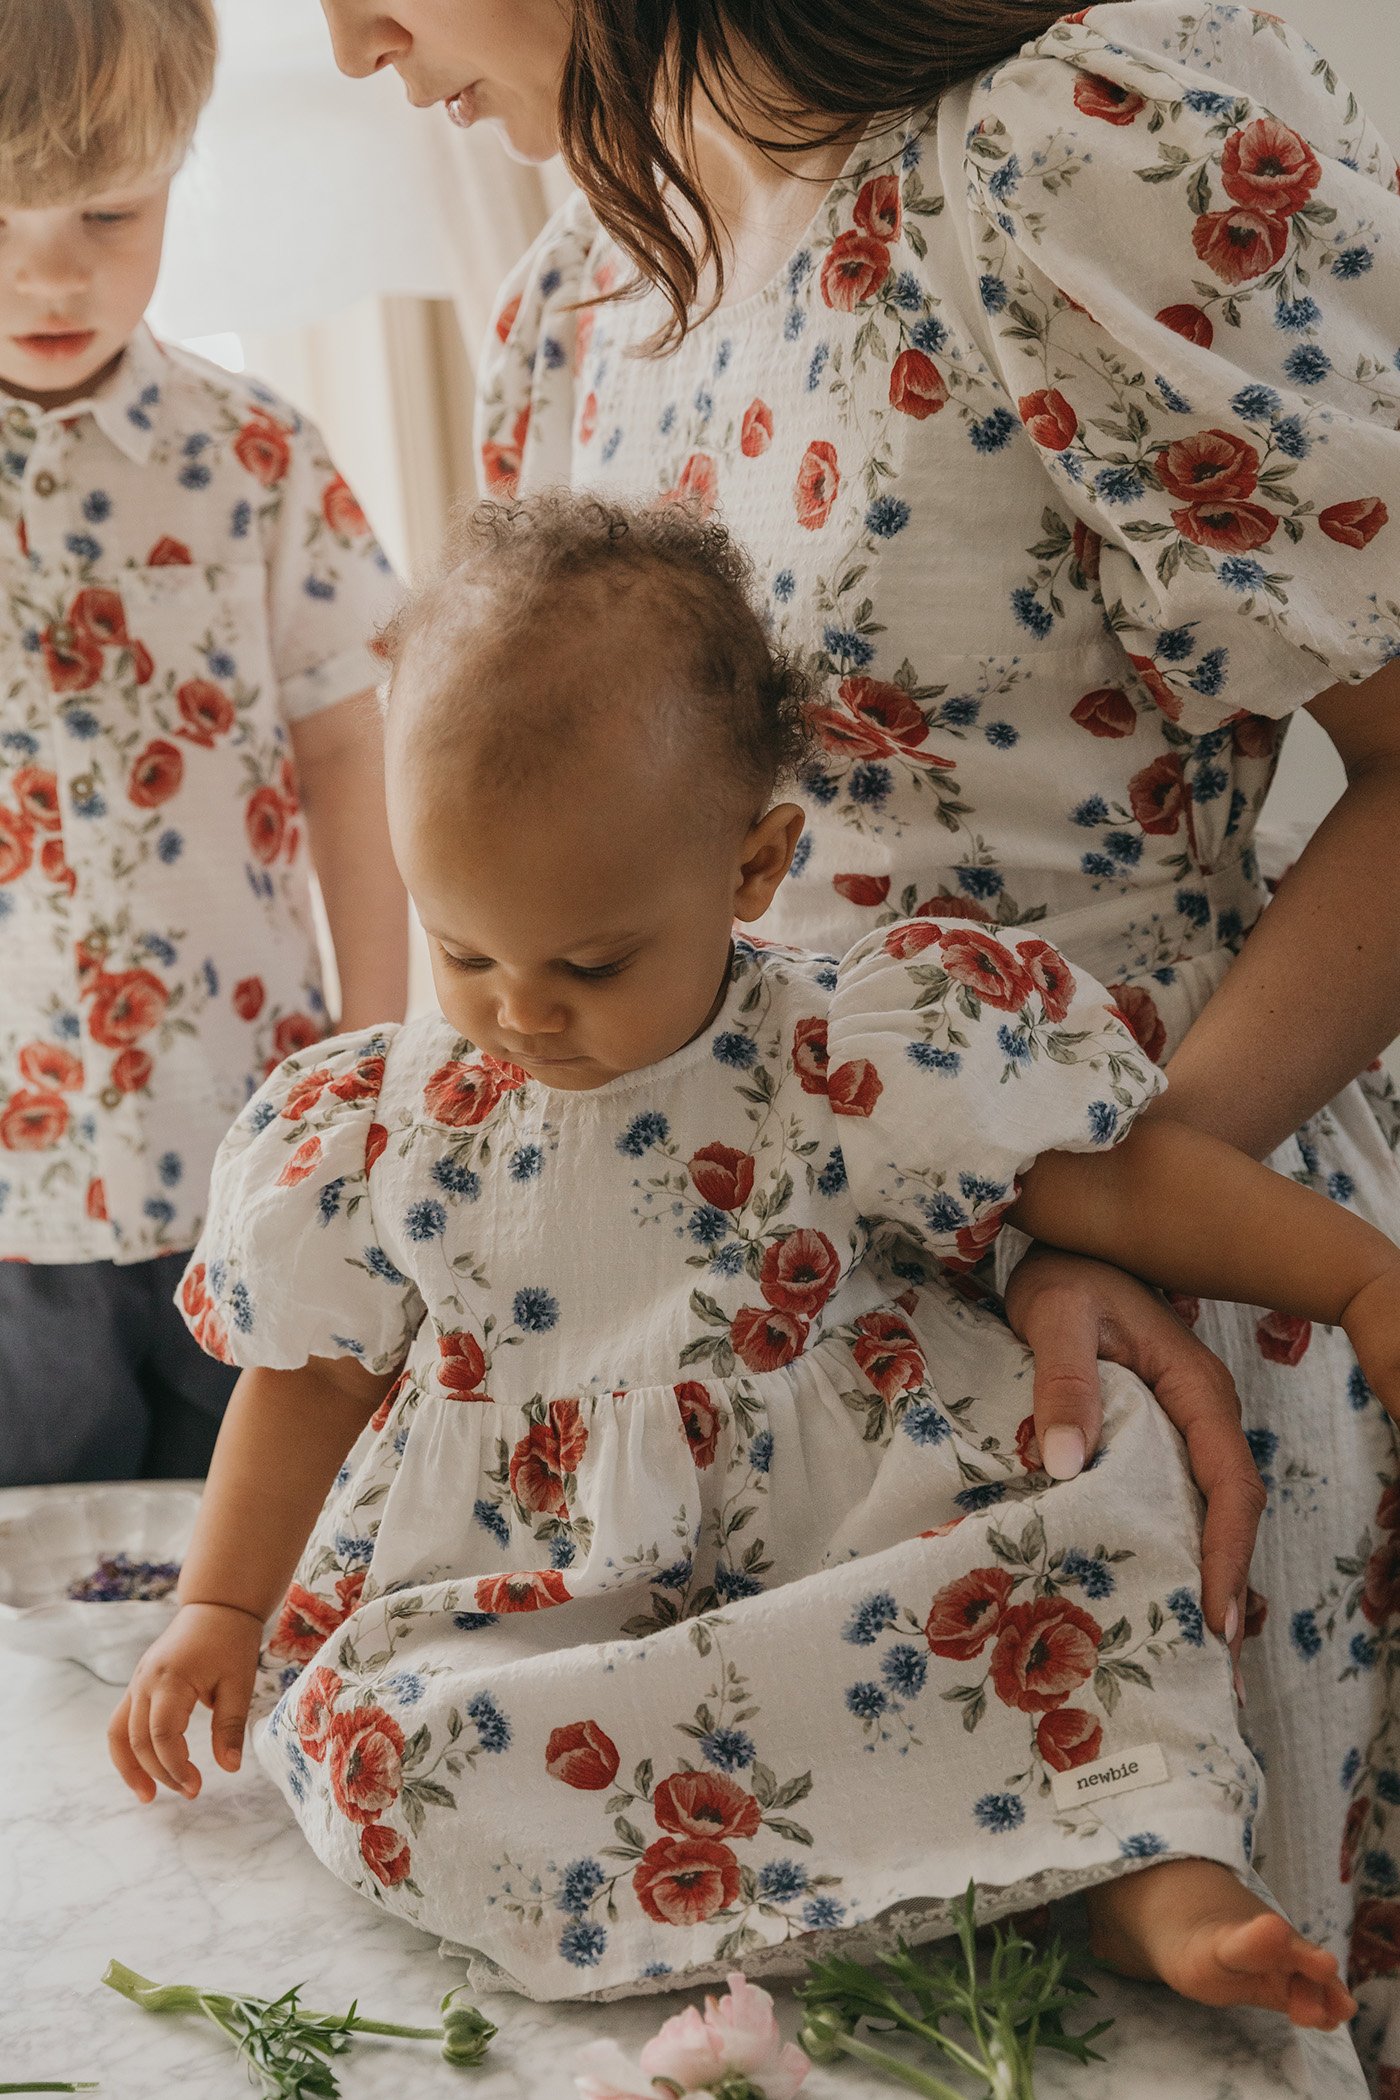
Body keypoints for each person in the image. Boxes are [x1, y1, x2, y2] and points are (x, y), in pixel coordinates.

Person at [320, 0, 1400, 2042]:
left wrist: (1109, 1198)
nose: (355, 38)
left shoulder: (1049, 168)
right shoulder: (578, 296)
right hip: (769, 1442)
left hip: (1144, 1327)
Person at [112, 489, 1400, 2025]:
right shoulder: (391, 1124)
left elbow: (1114, 1190)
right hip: (552, 1606)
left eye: (589, 963)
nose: (519, 1012)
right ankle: (707, 1915)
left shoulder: (849, 1053)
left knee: (1083, 1575)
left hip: (856, 1553)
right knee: (405, 1757)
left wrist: (1355, 1274)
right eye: (462, 949)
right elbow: (311, 1383)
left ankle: (1141, 1881)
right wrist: (223, 1610)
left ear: (752, 864)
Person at [0, 0, 408, 1486]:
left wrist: (376, 1054)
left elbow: (354, 764)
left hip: (253, 1145)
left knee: (256, 1563)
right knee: (33, 1621)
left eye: (108, 213)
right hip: (11, 1206)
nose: (52, 268)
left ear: (177, 170)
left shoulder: (256, 459)